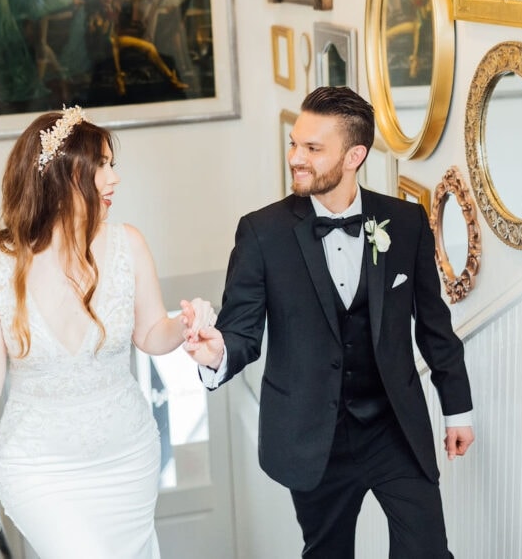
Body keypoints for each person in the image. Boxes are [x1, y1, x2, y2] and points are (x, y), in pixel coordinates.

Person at [183, 87, 475, 558]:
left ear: (354, 155)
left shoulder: (405, 222)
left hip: (394, 428)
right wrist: (215, 352)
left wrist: (457, 407)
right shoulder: (262, 233)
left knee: (428, 551)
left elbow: (434, 325)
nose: (296, 157)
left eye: (313, 148)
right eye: (295, 143)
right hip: (311, 438)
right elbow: (240, 331)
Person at [0, 106, 215, 558]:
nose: (114, 178)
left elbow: (150, 334)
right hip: (38, 468)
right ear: (63, 176)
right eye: (101, 165)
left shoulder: (129, 244)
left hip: (127, 459)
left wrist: (185, 326)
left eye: (111, 165)